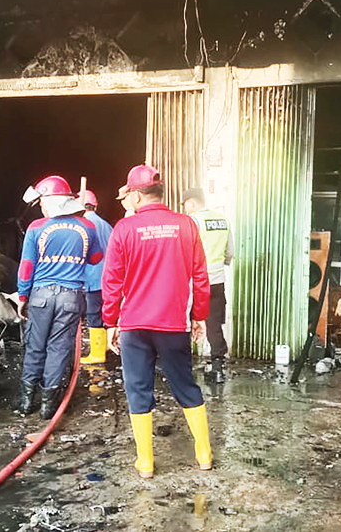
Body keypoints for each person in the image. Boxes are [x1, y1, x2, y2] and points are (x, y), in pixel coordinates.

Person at [102, 164, 212, 479]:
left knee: (138, 389)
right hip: (173, 324)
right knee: (186, 386)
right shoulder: (186, 225)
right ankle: (204, 456)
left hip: (134, 326)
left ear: (137, 196)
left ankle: (146, 463)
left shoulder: (124, 229)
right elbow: (200, 277)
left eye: (129, 195)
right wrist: (199, 316)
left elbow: (112, 281)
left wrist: (110, 321)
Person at [17, 175, 104, 419]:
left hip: (40, 296)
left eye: (42, 203)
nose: (41, 208)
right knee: (58, 349)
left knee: (35, 346)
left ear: (51, 201)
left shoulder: (36, 227)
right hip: (71, 297)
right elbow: (96, 258)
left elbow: (26, 266)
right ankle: (48, 407)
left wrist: (22, 297)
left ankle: (26, 402)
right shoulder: (88, 226)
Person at [181, 187, 234, 382]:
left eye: (185, 205)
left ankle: (184, 366)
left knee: (186, 321)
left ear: (192, 202)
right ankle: (218, 367)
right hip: (218, 280)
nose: (185, 209)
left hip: (196, 281)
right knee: (213, 324)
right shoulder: (223, 220)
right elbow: (230, 252)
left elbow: (185, 251)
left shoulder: (192, 221)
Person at [79, 189, 114, 365]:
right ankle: (106, 344)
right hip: (109, 277)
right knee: (106, 312)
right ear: (95, 205)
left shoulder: (83, 225)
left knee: (94, 314)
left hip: (92, 277)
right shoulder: (106, 225)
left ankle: (97, 354)